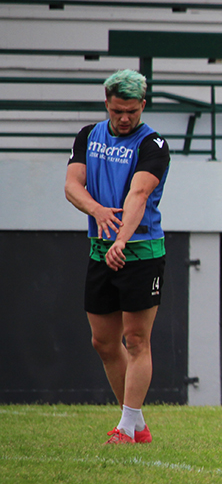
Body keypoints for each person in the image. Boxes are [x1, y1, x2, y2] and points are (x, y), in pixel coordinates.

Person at [64, 69, 170, 445]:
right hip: (99, 249)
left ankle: (125, 428)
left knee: (136, 339)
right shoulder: (88, 136)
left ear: (143, 105)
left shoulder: (152, 145)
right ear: (106, 104)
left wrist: (121, 240)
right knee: (103, 342)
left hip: (139, 251)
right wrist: (97, 211)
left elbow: (138, 195)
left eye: (131, 111)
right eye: (117, 110)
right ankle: (137, 424)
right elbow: (72, 185)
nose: (124, 118)